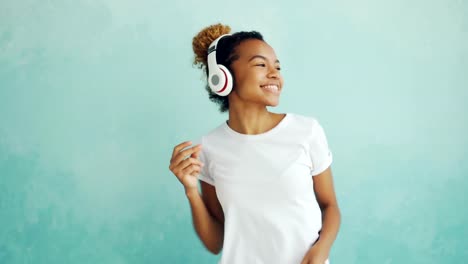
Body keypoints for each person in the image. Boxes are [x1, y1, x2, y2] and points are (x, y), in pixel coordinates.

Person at [169, 23, 341, 264]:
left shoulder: (306, 131)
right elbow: (215, 241)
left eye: (277, 67)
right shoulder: (209, 148)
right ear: (223, 77)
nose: (274, 74)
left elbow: (330, 205)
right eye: (261, 64)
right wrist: (190, 190)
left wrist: (321, 249)